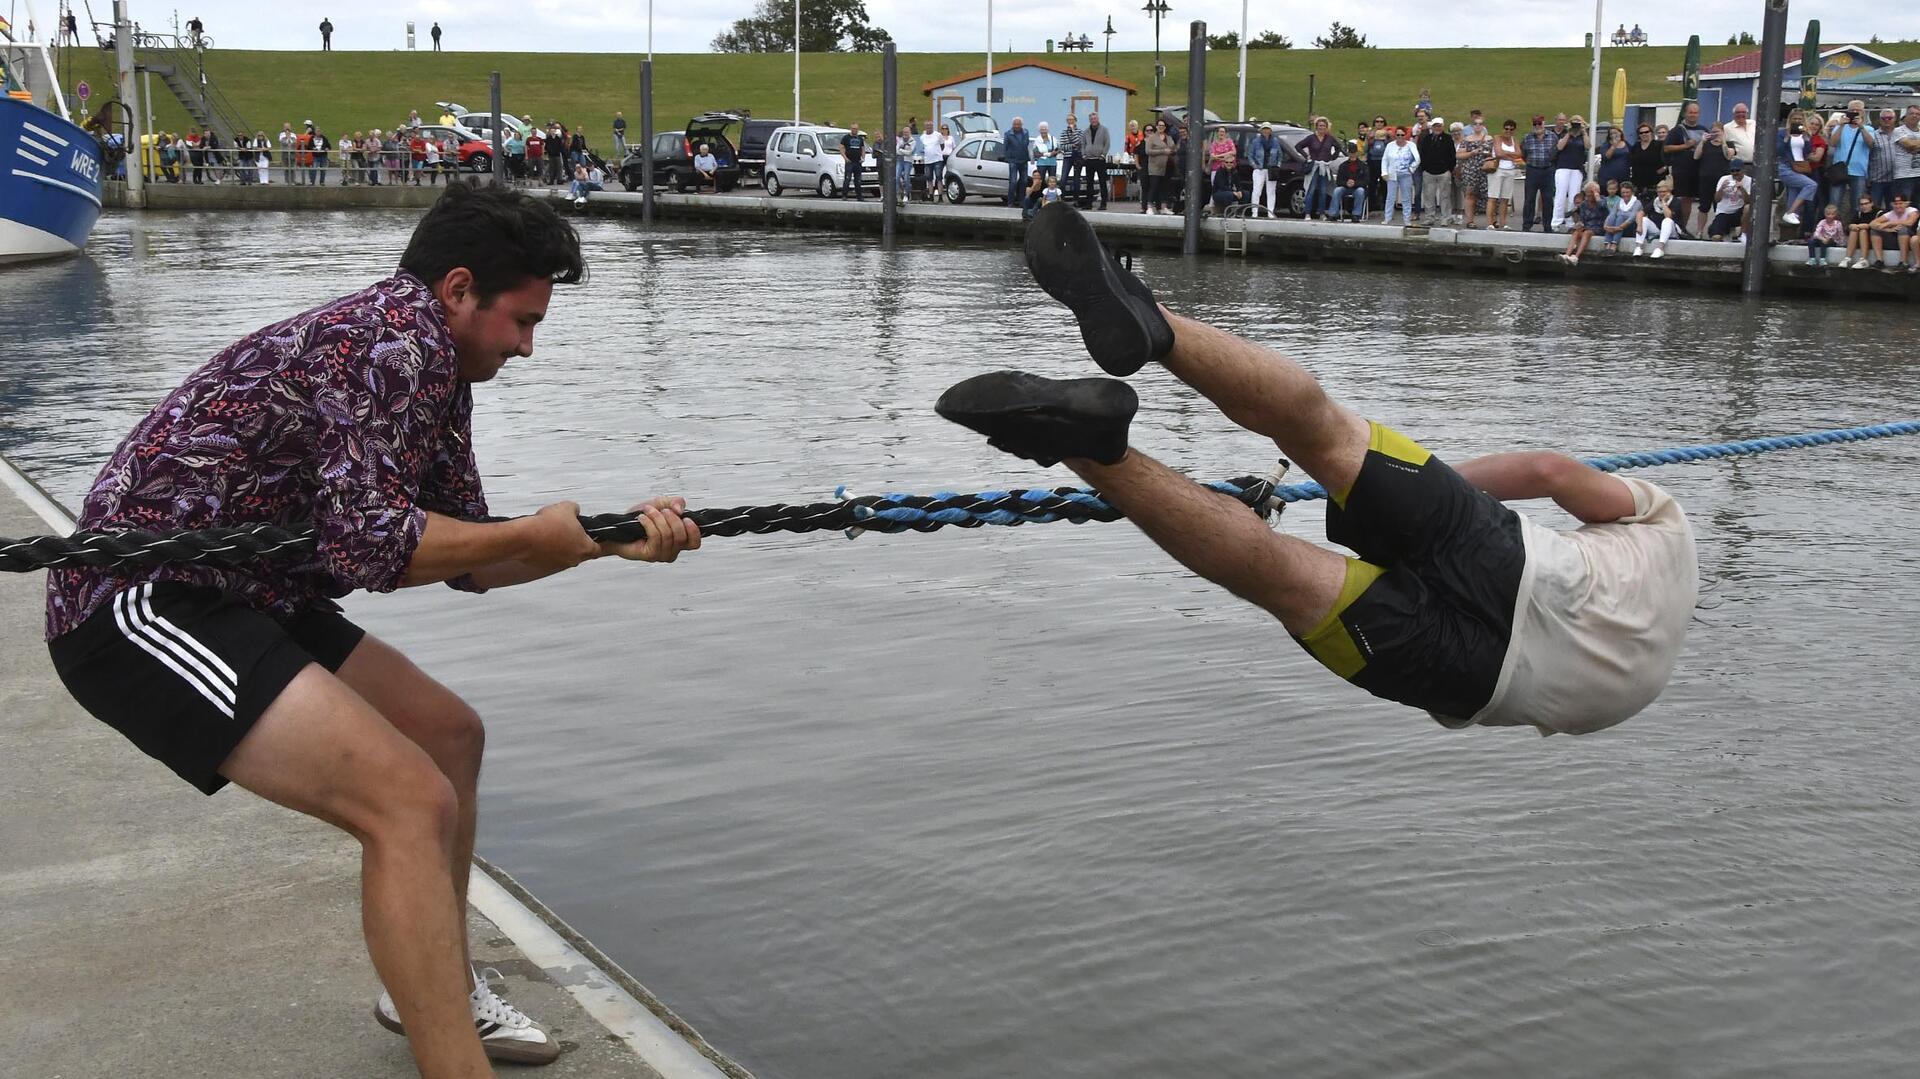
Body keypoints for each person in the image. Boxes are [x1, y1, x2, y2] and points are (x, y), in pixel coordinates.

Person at [45, 185, 702, 1075]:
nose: (528, 346)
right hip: (135, 599)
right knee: (406, 799)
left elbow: (466, 559)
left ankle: (431, 985)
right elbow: (373, 545)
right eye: (521, 320)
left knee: (449, 735)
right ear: (459, 288)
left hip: (245, 591)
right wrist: (538, 532)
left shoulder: (434, 363)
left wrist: (605, 541)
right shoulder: (387, 344)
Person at [938, 203, 1697, 743]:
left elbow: (1549, 470)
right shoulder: (1647, 675)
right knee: (1279, 574)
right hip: (1495, 680)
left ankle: (1157, 329)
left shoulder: (1668, 528)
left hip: (1531, 565)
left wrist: (1419, 489)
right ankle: (1091, 448)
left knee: (1326, 434)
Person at [1663, 101, 1708, 234]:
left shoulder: (1704, 130)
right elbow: (1666, 148)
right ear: (1685, 114)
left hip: (1697, 169)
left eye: (1695, 112)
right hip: (1681, 170)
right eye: (1690, 112)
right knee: (1680, 199)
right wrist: (1685, 146)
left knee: (1689, 199)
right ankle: (1676, 226)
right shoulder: (1677, 130)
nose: (1693, 115)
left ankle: (1683, 228)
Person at [1777, 111, 1821, 228]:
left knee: (1793, 194)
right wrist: (1787, 138)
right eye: (1794, 119)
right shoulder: (1782, 133)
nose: (1797, 121)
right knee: (1811, 185)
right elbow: (1779, 151)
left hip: (1800, 166)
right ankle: (1790, 212)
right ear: (1790, 120)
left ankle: (1790, 222)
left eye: (1799, 119)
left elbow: (1807, 152)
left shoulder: (1805, 134)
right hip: (1786, 166)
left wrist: (1806, 137)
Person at [1296, 117, 1342, 220]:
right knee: (1310, 190)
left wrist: (1333, 157)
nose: (1322, 128)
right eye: (1320, 126)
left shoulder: (1330, 138)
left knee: (1323, 190)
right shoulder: (1311, 138)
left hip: (1324, 166)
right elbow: (1298, 146)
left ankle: (1322, 213)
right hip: (1314, 166)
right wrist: (1306, 155)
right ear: (1316, 127)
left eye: (1324, 126)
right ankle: (1307, 213)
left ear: (1326, 127)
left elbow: (1339, 147)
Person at [1550, 114, 1587, 231]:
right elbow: (1559, 147)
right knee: (1560, 194)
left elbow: (1588, 146)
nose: (1576, 124)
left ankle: (1570, 222)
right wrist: (1569, 133)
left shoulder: (1583, 135)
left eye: (1579, 122)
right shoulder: (1564, 133)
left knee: (1574, 195)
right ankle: (1556, 221)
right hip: (1563, 167)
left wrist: (1584, 131)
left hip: (1576, 169)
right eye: (1575, 122)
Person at [1520, 115, 1557, 232]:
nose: (1537, 126)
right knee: (1529, 199)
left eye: (1539, 124)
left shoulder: (1552, 137)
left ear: (1544, 124)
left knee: (1548, 199)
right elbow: (1523, 154)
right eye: (1535, 124)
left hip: (1548, 170)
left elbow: (1556, 153)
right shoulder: (1527, 138)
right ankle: (1526, 225)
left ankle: (1547, 226)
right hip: (1532, 170)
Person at [1866, 192, 1918, 271]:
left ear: (1906, 204)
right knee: (1874, 230)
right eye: (1895, 204)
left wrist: (1890, 223)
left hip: (1909, 240)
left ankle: (1903, 262)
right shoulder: (1890, 214)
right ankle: (1879, 261)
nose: (1898, 206)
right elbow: (1872, 224)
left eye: (1900, 203)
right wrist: (1887, 229)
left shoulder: (1912, 211)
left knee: (1903, 228)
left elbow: (1909, 222)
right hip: (1894, 239)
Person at [1558, 181, 1605, 264]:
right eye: (1587, 195)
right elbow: (1583, 219)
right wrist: (1579, 225)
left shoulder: (1602, 200)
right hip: (1587, 226)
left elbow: (1603, 208)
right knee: (1576, 232)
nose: (1589, 197)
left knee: (1587, 233)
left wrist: (1597, 197)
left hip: (1598, 226)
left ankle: (1576, 257)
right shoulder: (1584, 204)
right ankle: (1567, 255)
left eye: (1591, 194)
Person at [1487, 119, 1522, 230]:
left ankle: (1503, 223)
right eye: (1506, 128)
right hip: (1498, 170)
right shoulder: (1497, 138)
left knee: (1505, 198)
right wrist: (1511, 156)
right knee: (1493, 197)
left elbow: (1519, 154)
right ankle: (1490, 223)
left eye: (1511, 129)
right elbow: (1498, 153)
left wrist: (1506, 154)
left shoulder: (1514, 140)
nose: (1508, 131)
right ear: (1503, 129)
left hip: (1510, 170)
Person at [1381, 127, 1419, 225]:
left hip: (1406, 175)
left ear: (1405, 135)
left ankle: (1407, 219)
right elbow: (1385, 159)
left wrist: (1411, 169)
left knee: (1406, 197)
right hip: (1392, 174)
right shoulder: (1390, 145)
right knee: (1390, 197)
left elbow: (1417, 159)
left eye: (1402, 135)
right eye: (1398, 135)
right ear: (1395, 135)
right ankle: (1387, 218)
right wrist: (1384, 172)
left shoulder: (1411, 145)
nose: (1400, 137)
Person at [1244, 124, 1283, 219]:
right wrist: (1254, 165)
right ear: (1261, 131)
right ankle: (1254, 212)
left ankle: (1270, 212)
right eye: (1264, 129)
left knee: (1271, 191)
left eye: (1267, 129)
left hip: (1271, 169)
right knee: (1257, 191)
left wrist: (1277, 165)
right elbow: (1250, 154)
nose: (1266, 131)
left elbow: (1280, 154)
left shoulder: (1275, 141)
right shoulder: (1256, 141)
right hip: (1259, 169)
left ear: (1270, 131)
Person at [1635, 178, 1681, 257]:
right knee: (1644, 219)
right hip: (1658, 229)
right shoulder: (1655, 201)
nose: (1661, 194)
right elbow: (1640, 213)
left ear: (1669, 192)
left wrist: (1663, 202)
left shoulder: (1676, 201)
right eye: (1659, 192)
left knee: (1667, 221)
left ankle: (1660, 248)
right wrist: (1639, 226)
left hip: (1672, 230)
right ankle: (1639, 247)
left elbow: (1668, 216)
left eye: (1664, 192)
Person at [1706, 161, 1751, 242]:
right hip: (1724, 213)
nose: (1735, 173)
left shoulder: (1749, 181)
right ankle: (1723, 230)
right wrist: (1721, 189)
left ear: (1743, 170)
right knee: (1716, 237)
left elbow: (1748, 201)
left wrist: (1742, 189)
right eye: (1732, 171)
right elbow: (1717, 199)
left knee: (1748, 207)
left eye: (1737, 170)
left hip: (1739, 212)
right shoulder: (1724, 179)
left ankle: (1743, 234)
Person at [1458, 119, 1489, 228]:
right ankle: (1470, 220)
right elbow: (1459, 155)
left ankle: (1491, 221)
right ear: (1472, 126)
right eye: (1475, 124)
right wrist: (1471, 153)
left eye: (1480, 124)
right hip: (1471, 170)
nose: (1478, 126)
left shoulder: (1489, 139)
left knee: (1489, 196)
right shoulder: (1467, 139)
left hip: (1486, 170)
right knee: (1470, 194)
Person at [1329, 140, 1370, 222]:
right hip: (1345, 187)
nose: (1352, 154)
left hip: (1357, 187)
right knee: (1337, 190)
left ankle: (1356, 214)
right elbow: (1339, 181)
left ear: (1357, 153)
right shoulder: (1343, 166)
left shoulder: (1363, 166)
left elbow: (1367, 181)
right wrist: (1346, 183)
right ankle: (1333, 214)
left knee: (1360, 191)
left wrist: (1355, 183)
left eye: (1354, 152)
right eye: (1351, 153)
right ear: (1348, 153)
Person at [1143, 119, 1175, 215]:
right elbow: (1148, 151)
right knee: (1154, 186)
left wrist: (1170, 151)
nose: (1161, 127)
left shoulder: (1168, 138)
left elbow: (1173, 148)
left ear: (1165, 127)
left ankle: (1163, 207)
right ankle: (1149, 206)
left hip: (1167, 166)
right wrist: (1162, 151)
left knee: (1165, 187)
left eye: (1163, 125)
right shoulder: (1151, 138)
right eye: (1159, 125)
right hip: (1155, 166)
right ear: (1156, 126)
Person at [1081, 112, 1112, 210]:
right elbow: (1083, 144)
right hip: (1089, 160)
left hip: (1099, 159)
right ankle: (1088, 203)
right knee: (1089, 183)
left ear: (1098, 119)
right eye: (1091, 119)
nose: (1093, 120)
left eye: (1095, 118)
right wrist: (1084, 154)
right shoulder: (1086, 131)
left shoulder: (1104, 130)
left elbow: (1107, 143)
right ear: (1089, 120)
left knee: (1102, 182)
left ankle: (1103, 203)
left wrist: (1103, 155)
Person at [1205, 126, 1239, 215]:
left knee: (1229, 185)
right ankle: (1212, 206)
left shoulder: (1229, 142)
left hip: (1228, 168)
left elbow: (1233, 152)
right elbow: (1212, 156)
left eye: (1223, 131)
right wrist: (1225, 156)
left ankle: (1227, 206)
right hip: (1216, 168)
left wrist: (1220, 156)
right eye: (1220, 131)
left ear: (1226, 133)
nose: (1221, 133)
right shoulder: (1214, 144)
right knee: (1215, 187)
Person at [1601, 180, 1639, 255]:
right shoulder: (1619, 202)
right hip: (1616, 228)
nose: (1625, 194)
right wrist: (1605, 225)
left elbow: (1631, 219)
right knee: (1612, 217)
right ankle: (1607, 244)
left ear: (1632, 192)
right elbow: (1612, 214)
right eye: (1623, 193)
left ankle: (1614, 245)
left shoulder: (1637, 203)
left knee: (1620, 217)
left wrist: (1618, 228)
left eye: (1627, 192)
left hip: (1629, 227)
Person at [1841, 192, 1879, 267]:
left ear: (1871, 203)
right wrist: (1852, 226)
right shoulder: (1858, 213)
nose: (1864, 206)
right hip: (1859, 240)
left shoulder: (1878, 212)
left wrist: (1867, 226)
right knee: (1854, 230)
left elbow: (1879, 226)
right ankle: (1847, 258)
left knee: (1863, 230)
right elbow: (1849, 225)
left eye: (1866, 203)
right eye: (1862, 204)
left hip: (1875, 240)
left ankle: (1863, 260)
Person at [1628, 120, 1663, 195]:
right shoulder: (1636, 146)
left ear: (1651, 132)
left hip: (1655, 181)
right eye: (1641, 133)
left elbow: (1667, 160)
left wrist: (1664, 168)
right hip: (1638, 182)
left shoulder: (1659, 145)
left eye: (1646, 132)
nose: (1644, 134)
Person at [1002, 118, 1030, 208]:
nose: (1017, 126)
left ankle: (1021, 201)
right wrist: (1007, 158)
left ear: (1021, 125)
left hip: (1024, 160)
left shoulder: (1026, 132)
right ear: (1012, 124)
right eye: (1015, 124)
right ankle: (1010, 202)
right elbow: (1005, 147)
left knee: (1024, 181)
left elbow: (1027, 145)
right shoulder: (1008, 134)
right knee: (1013, 182)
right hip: (1013, 161)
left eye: (1018, 124)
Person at [1057, 114, 1084, 202]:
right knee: (1063, 178)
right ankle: (1062, 198)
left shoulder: (1080, 131)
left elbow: (1079, 143)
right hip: (1067, 157)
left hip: (1077, 157)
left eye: (1072, 120)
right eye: (1068, 120)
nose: (1070, 121)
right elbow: (1062, 147)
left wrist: (1073, 131)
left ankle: (1076, 199)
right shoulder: (1064, 132)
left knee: (1077, 179)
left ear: (1075, 121)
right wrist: (1072, 145)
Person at [918, 122, 945, 203]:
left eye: (930, 126)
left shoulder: (938, 135)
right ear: (925, 127)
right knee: (929, 179)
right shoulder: (922, 137)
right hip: (928, 161)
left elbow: (942, 146)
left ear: (932, 126)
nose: (928, 127)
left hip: (937, 160)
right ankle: (931, 196)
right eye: (927, 126)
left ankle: (940, 196)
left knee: (939, 178)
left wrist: (937, 153)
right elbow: (923, 147)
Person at [841, 123, 869, 201]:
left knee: (858, 180)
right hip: (849, 162)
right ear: (851, 129)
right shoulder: (846, 138)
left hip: (858, 162)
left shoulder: (860, 139)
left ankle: (859, 196)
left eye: (856, 129)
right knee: (847, 179)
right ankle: (844, 195)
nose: (854, 130)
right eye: (853, 128)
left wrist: (863, 158)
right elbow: (841, 148)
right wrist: (845, 158)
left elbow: (863, 149)